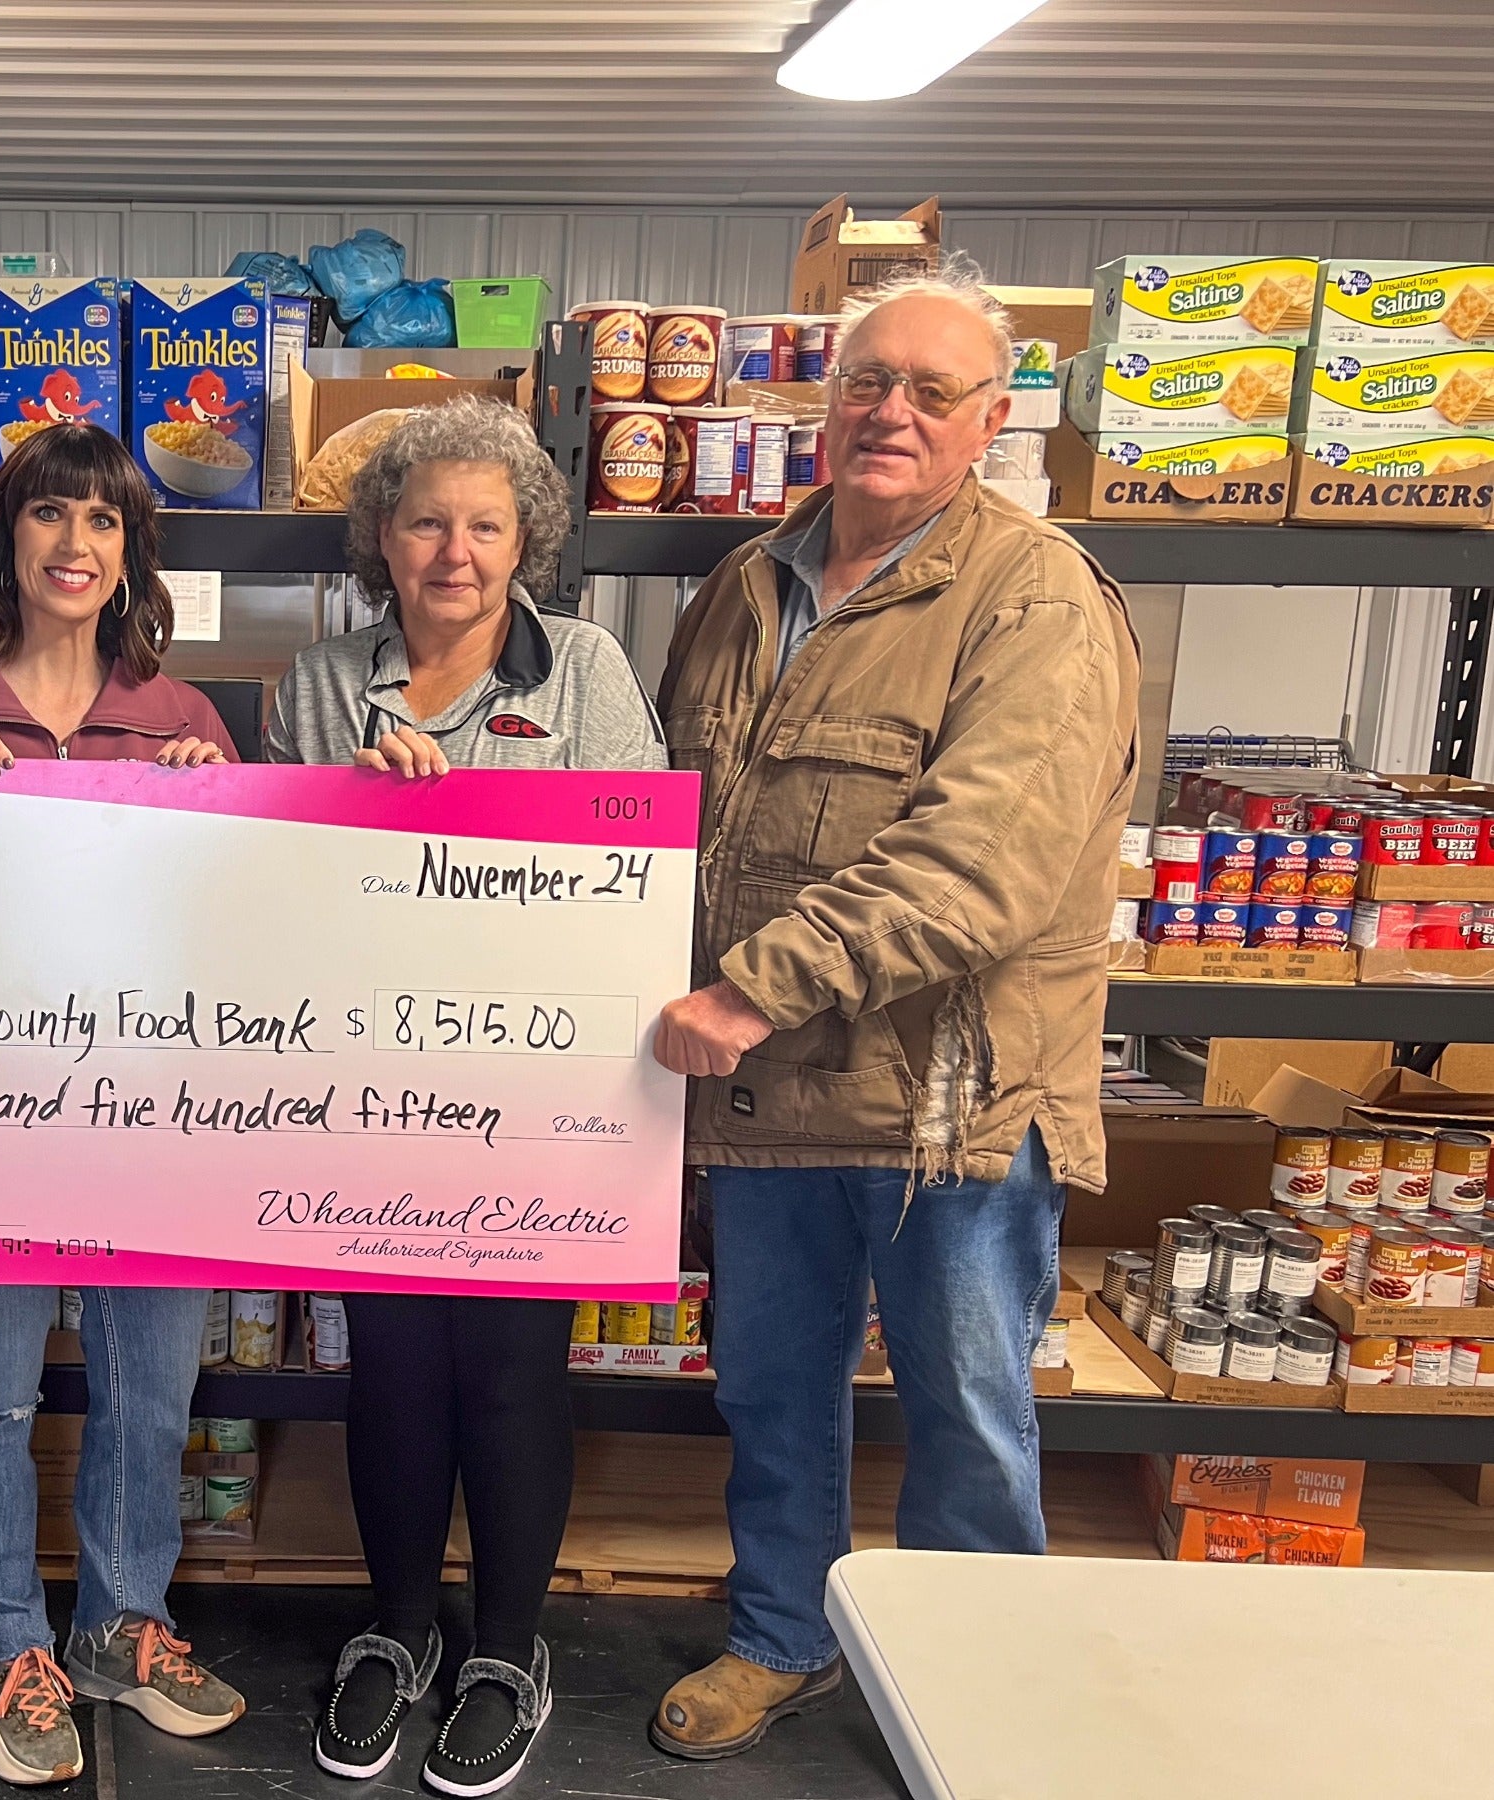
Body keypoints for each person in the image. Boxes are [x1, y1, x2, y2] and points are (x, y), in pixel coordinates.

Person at [646, 265, 1141, 1760]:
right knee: (771, 1394)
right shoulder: (745, 585)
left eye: (935, 391)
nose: (893, 413)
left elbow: (976, 867)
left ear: (993, 419)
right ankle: (782, 1638)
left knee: (967, 1415)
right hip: (765, 1100)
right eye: (869, 381)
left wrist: (748, 990)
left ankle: (978, 1679)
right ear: (824, 398)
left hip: (948, 1107)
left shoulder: (1034, 594)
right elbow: (678, 823)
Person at [265, 394, 668, 1798]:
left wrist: (460, 831)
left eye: (485, 525)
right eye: (427, 520)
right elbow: (273, 896)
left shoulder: (591, 672)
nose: (456, 551)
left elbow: (634, 884)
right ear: (382, 535)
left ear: (525, 541)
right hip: (372, 1085)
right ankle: (397, 1628)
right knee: (392, 1367)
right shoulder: (316, 686)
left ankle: (505, 1645)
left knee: (506, 1370)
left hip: (545, 1092)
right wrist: (357, 820)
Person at [0, 422, 246, 1788]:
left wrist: (215, 816)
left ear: (135, 552)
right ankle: (7, 1642)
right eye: (49, 516)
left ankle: (125, 1626)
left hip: (152, 1119)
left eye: (106, 522)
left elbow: (242, 944)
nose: (76, 546)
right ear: (4, 538)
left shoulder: (185, 720)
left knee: (151, 1387)